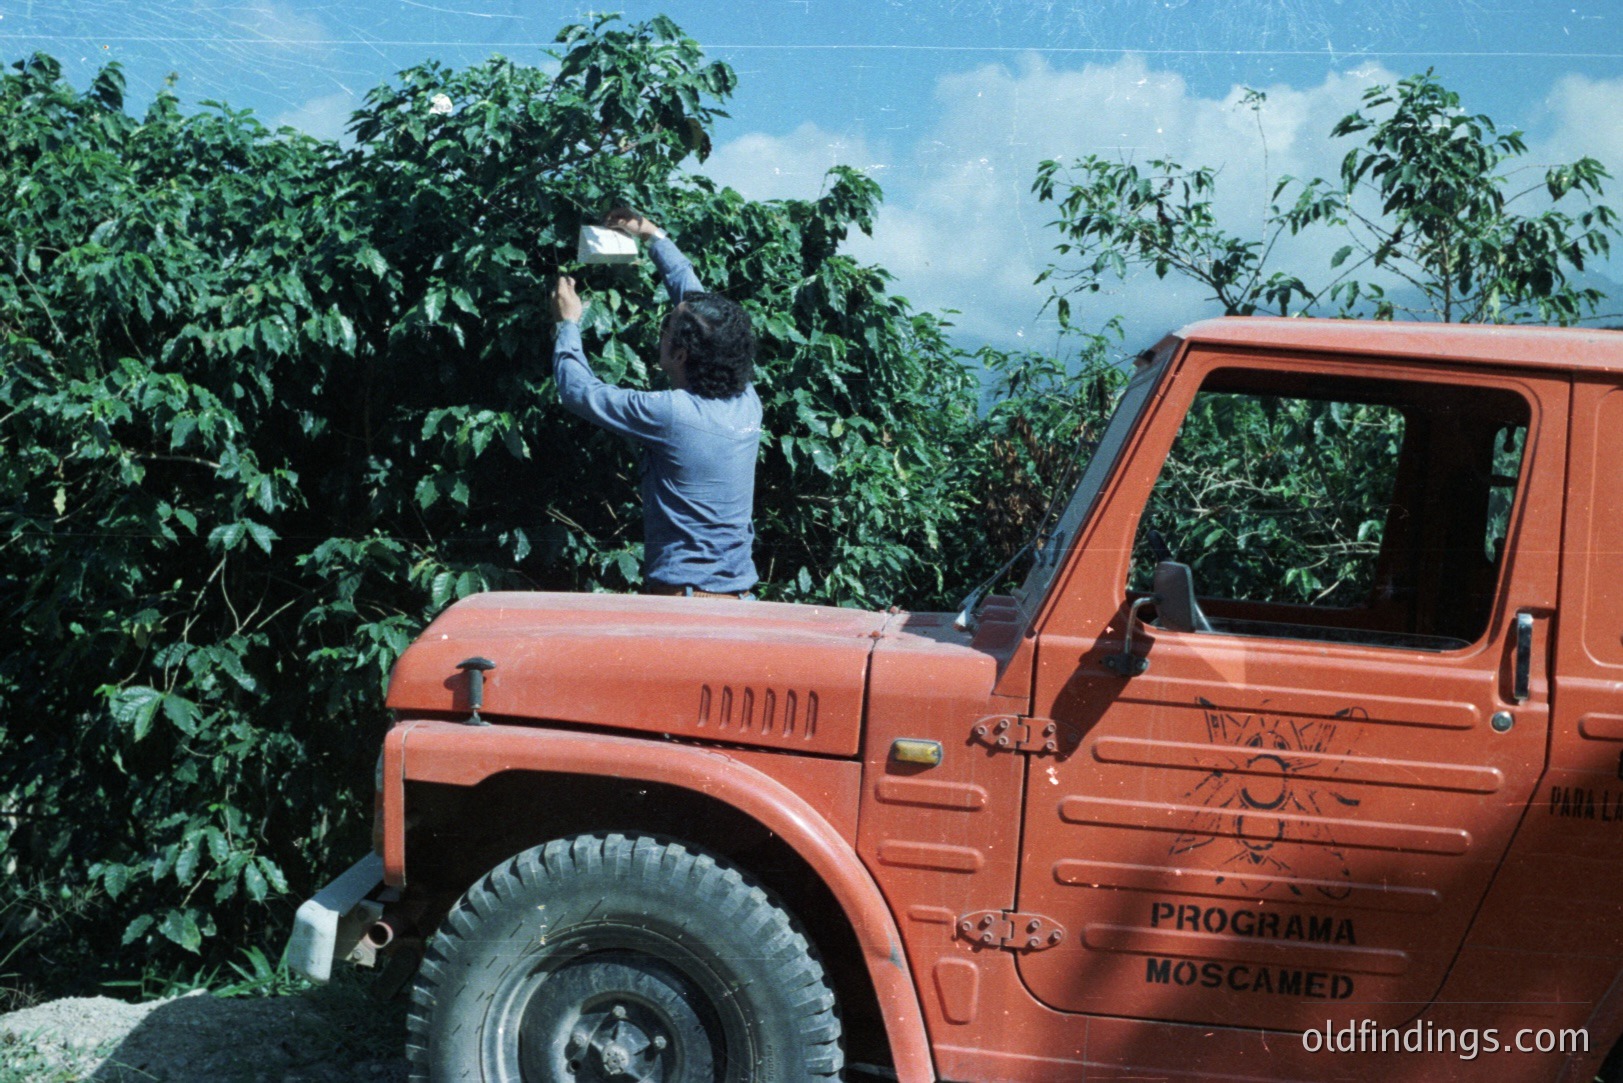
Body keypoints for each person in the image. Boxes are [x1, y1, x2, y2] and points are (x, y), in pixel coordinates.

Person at [550, 209, 761, 598]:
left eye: (666, 327)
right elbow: (695, 303)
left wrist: (568, 322)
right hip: (740, 597)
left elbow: (579, 392)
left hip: (689, 603)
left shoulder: (670, 414)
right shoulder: (746, 399)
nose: (660, 331)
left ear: (680, 355)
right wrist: (651, 234)